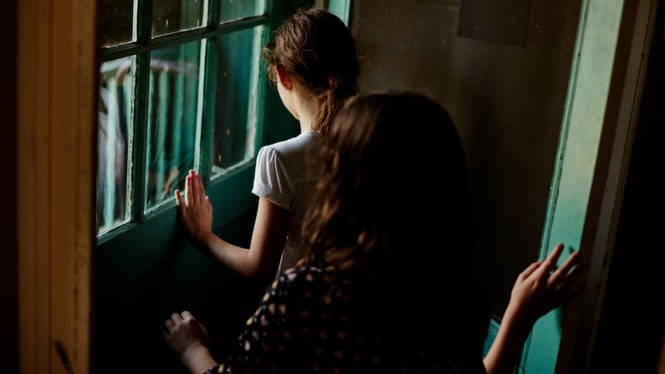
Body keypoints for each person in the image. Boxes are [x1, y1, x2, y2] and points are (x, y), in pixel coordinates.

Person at [163, 92, 584, 373]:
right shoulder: (453, 298)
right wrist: (516, 319)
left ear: (344, 188)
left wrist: (192, 348)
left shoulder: (306, 295)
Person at [174, 7, 359, 284]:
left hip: (292, 312)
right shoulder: (367, 140)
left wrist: (203, 236)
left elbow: (259, 268)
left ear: (283, 76)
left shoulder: (280, 158)